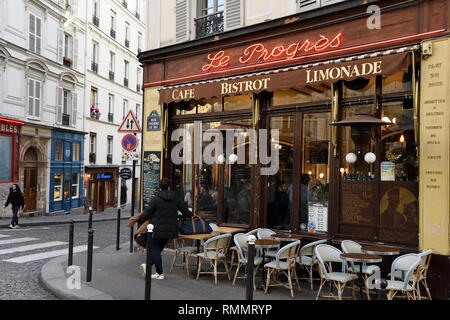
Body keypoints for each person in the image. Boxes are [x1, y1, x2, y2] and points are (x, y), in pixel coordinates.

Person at [138, 178, 193, 280]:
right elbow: (184, 210)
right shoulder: (175, 198)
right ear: (169, 187)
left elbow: (147, 212)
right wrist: (192, 215)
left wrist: (141, 221)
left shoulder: (156, 199)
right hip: (170, 229)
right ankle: (148, 267)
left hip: (156, 228)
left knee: (155, 250)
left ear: (160, 187)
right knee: (158, 250)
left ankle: (159, 273)